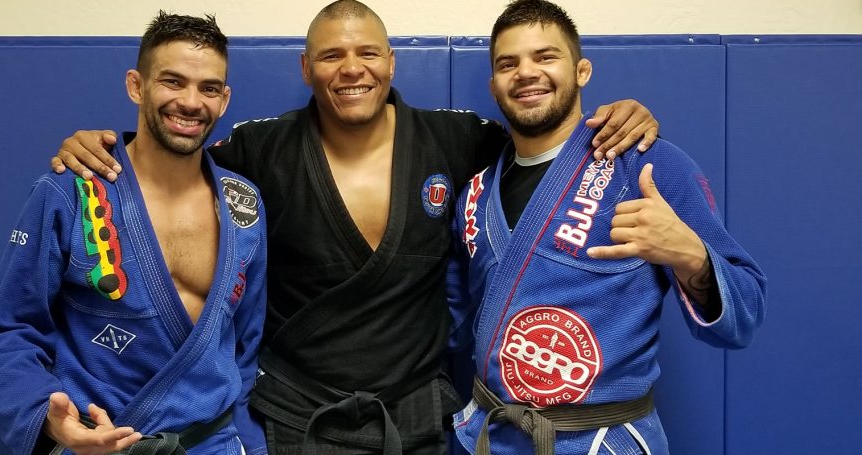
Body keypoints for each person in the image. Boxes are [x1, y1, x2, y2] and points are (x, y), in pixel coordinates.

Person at [51, 2, 660, 453]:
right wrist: (106, 147)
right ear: (306, 68)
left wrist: (618, 115)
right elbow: (175, 155)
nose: (351, 69)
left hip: (415, 420)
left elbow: (543, 143)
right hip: (297, 418)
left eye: (368, 53)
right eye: (330, 56)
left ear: (391, 62)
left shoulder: (455, 139)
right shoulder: (262, 148)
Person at [447, 1, 766, 454]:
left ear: (582, 71)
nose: (526, 72)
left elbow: (744, 314)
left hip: (603, 440)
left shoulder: (645, 164)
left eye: (545, 56)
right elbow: (453, 321)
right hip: (494, 438)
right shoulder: (475, 194)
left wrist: (692, 256)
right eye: (507, 64)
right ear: (493, 84)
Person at [0, 12, 268, 455]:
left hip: (213, 443)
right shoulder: (70, 192)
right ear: (136, 86)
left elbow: (246, 346)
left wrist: (252, 445)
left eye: (209, 88)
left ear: (224, 100)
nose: (191, 102)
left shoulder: (243, 204)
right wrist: (51, 421)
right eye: (172, 81)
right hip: (95, 442)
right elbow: (8, 332)